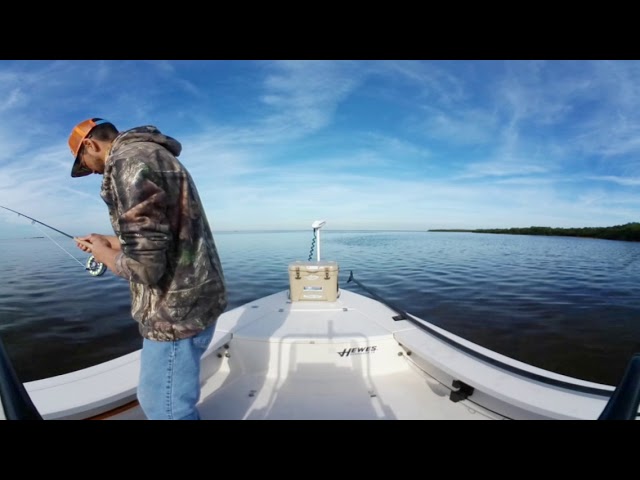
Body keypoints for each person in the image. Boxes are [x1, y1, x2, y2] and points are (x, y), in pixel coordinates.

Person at [68, 117, 228, 420]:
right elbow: (166, 233)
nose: (90, 172)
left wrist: (103, 255)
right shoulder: (155, 154)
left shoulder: (127, 164)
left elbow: (146, 268)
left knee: (165, 409)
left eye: (85, 164)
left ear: (90, 144)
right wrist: (111, 241)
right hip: (198, 300)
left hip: (173, 315)